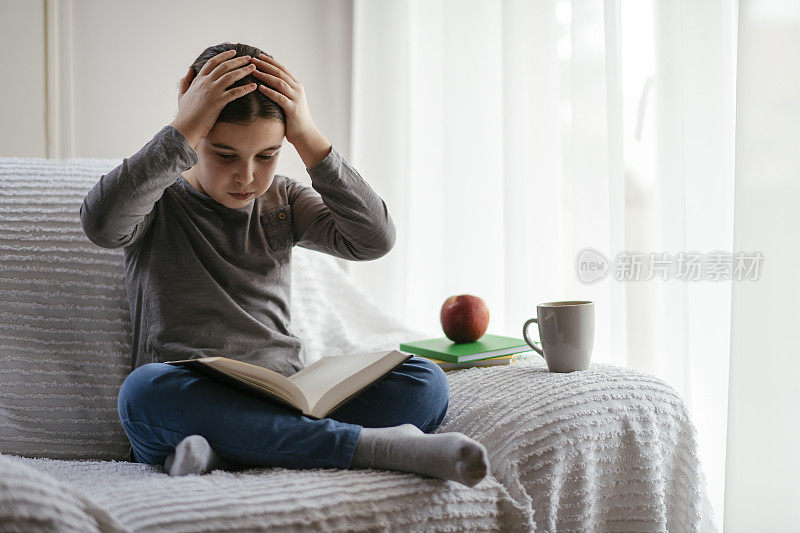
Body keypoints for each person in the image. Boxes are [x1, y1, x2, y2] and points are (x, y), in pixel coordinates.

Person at [79, 42, 489, 487]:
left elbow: (373, 240)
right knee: (142, 394)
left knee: (424, 381)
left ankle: (227, 450)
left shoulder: (283, 201)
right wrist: (183, 124)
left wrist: (310, 138)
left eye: (268, 156)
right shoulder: (155, 198)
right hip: (191, 391)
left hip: (286, 395)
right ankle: (371, 447)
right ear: (193, 126)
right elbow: (102, 224)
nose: (248, 176)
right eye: (225, 154)